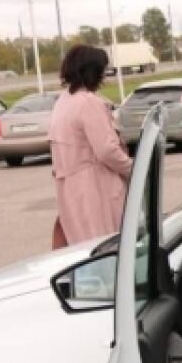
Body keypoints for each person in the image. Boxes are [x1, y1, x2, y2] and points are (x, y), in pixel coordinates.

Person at [48, 45, 133, 245]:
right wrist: (134, 169)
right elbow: (107, 150)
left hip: (70, 189)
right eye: (102, 71)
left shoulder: (64, 101)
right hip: (95, 189)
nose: (105, 77)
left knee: (81, 249)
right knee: (104, 248)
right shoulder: (88, 103)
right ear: (94, 72)